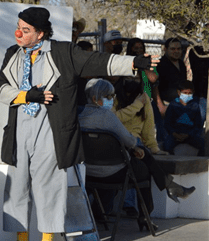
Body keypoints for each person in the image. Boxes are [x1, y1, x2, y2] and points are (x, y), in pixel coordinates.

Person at [0, 7, 157, 241]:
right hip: (19, 129)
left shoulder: (62, 53)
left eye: (26, 30)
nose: (19, 33)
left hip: (52, 130)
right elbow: (0, 87)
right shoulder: (13, 54)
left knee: (48, 186)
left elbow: (98, 61)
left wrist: (133, 63)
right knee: (17, 186)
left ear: (40, 33)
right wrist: (27, 96)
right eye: (19, 27)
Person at [78, 79, 195, 229]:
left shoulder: (79, 115)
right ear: (95, 99)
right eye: (108, 97)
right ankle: (146, 215)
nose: (111, 100)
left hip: (88, 172)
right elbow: (129, 140)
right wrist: (135, 147)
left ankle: (170, 186)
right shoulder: (108, 117)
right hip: (114, 172)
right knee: (145, 169)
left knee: (142, 155)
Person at [163, 80, 205, 155]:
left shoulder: (195, 106)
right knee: (166, 146)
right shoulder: (173, 105)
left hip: (190, 135)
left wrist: (189, 134)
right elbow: (167, 123)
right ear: (179, 92)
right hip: (175, 135)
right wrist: (174, 134)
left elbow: (198, 124)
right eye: (185, 93)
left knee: (203, 145)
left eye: (189, 93)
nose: (187, 95)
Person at [156, 37, 187, 106]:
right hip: (165, 103)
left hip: (181, 103)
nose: (176, 51)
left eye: (179, 49)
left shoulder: (182, 64)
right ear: (165, 49)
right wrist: (160, 105)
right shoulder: (160, 65)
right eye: (173, 49)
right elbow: (155, 88)